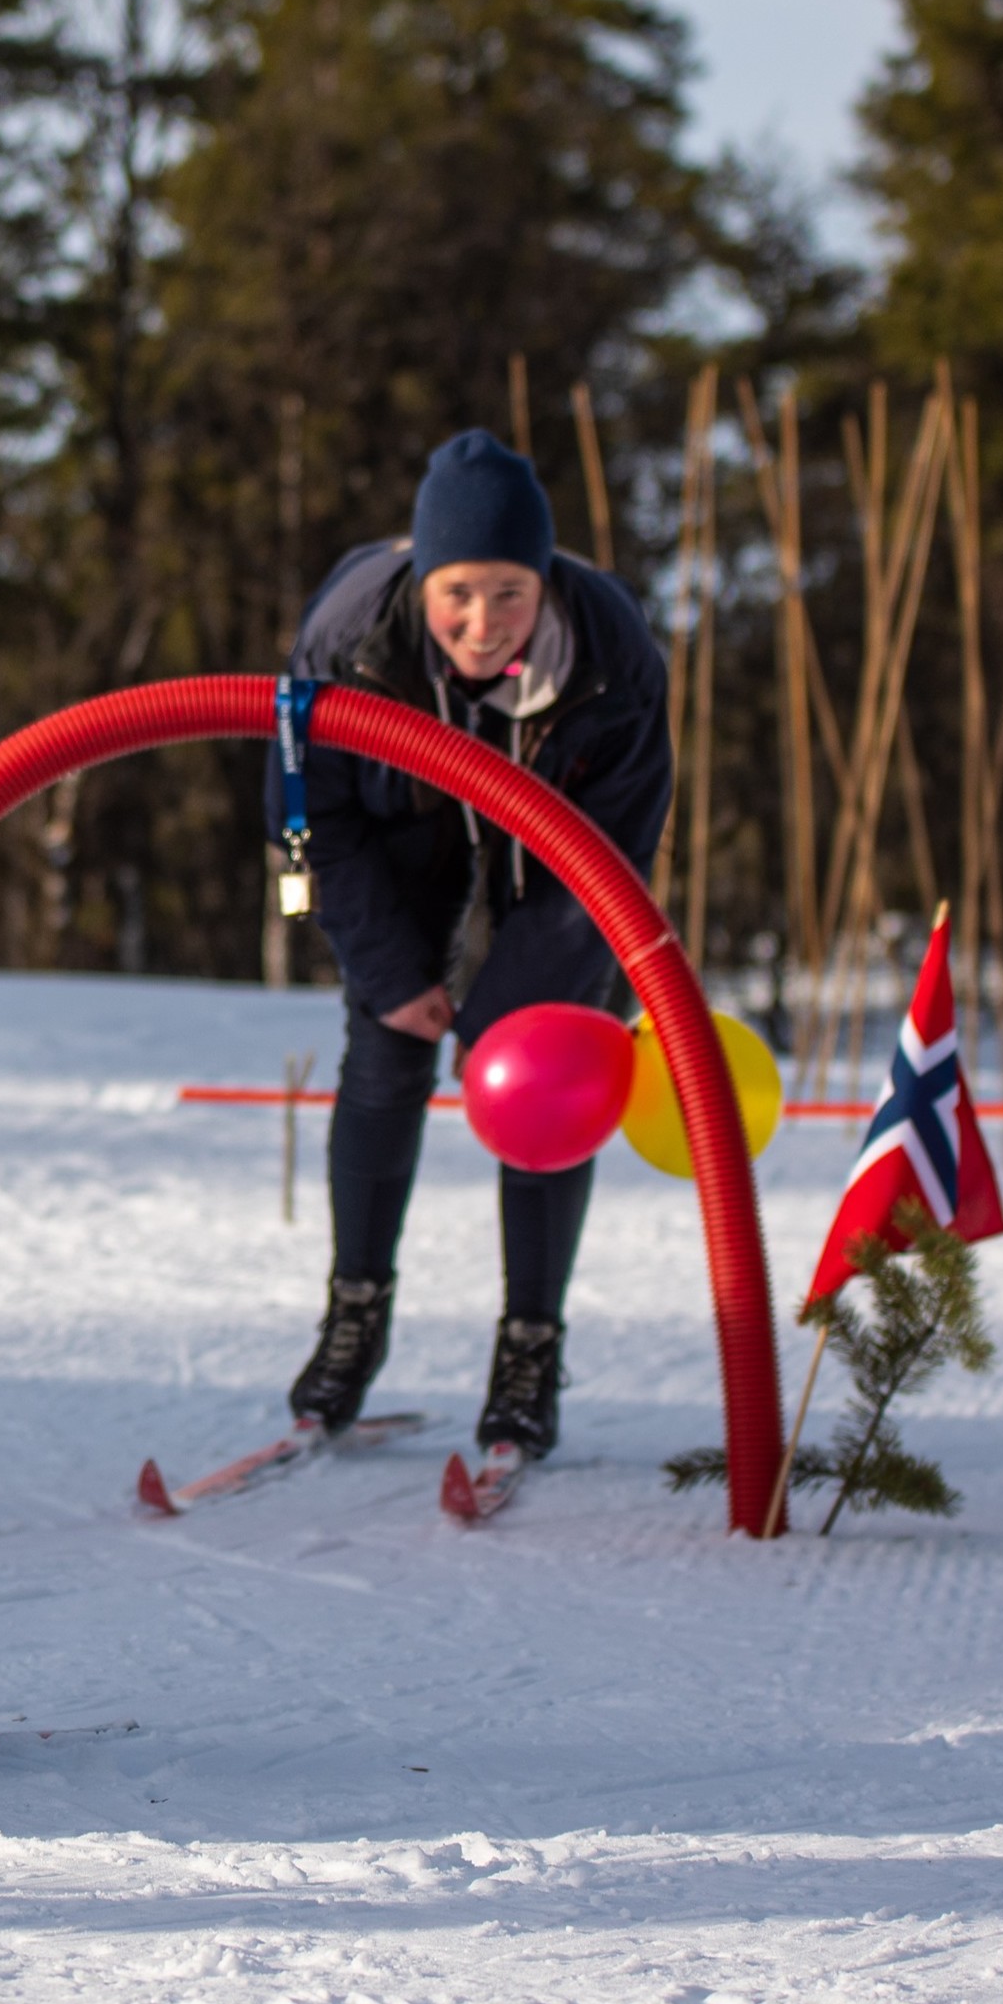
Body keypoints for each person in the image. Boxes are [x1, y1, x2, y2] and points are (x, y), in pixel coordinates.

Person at [281, 431, 671, 1471]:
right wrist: (395, 973)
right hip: (396, 826)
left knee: (543, 1072)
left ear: (543, 581)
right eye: (459, 591)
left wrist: (506, 1017)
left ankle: (530, 1352)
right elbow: (316, 821)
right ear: (423, 571)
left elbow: (613, 860)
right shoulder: (350, 639)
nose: (482, 621)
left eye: (509, 592)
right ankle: (353, 1319)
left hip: (557, 852)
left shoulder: (611, 654)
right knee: (386, 1047)